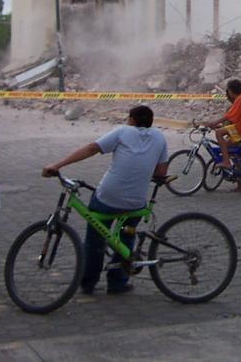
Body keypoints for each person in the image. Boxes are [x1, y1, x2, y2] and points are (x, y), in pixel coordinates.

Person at [42, 105, 168, 295]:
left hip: (108, 197)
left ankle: (88, 282)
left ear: (131, 120)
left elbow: (92, 148)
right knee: (126, 236)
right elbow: (161, 173)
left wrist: (57, 165)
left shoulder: (122, 131)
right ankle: (117, 283)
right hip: (137, 201)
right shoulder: (159, 136)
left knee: (94, 240)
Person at [205, 79, 241, 187]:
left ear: (230, 92)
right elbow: (230, 122)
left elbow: (228, 117)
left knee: (220, 135)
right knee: (235, 153)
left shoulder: (239, 101)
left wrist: (214, 123)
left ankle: (226, 162)